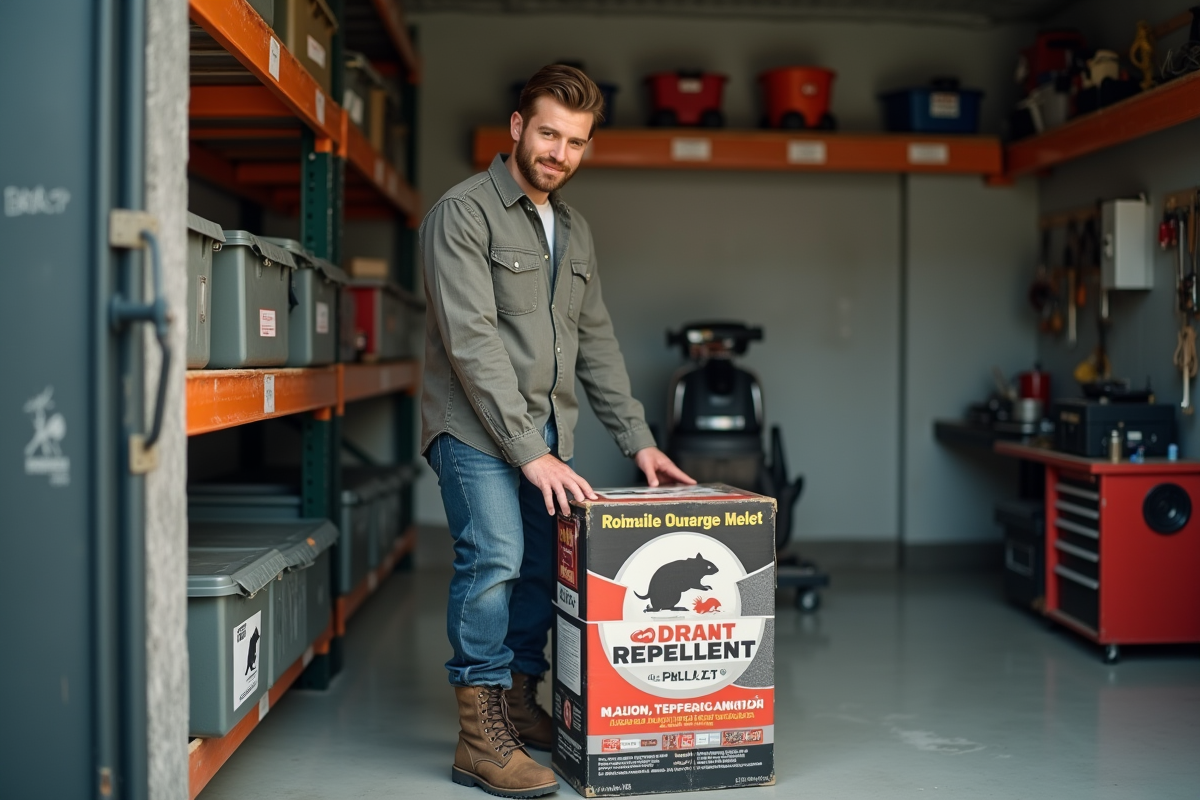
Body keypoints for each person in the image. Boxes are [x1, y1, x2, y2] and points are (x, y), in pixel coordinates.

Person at [419, 64, 694, 798]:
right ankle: (479, 740)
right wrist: (529, 452)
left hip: (546, 435)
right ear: (517, 128)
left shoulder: (571, 228)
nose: (559, 153)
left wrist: (638, 439)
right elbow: (471, 344)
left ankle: (516, 702)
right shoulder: (464, 213)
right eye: (548, 133)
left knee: (544, 569)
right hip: (476, 431)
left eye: (575, 142)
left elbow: (595, 342)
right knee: (497, 560)